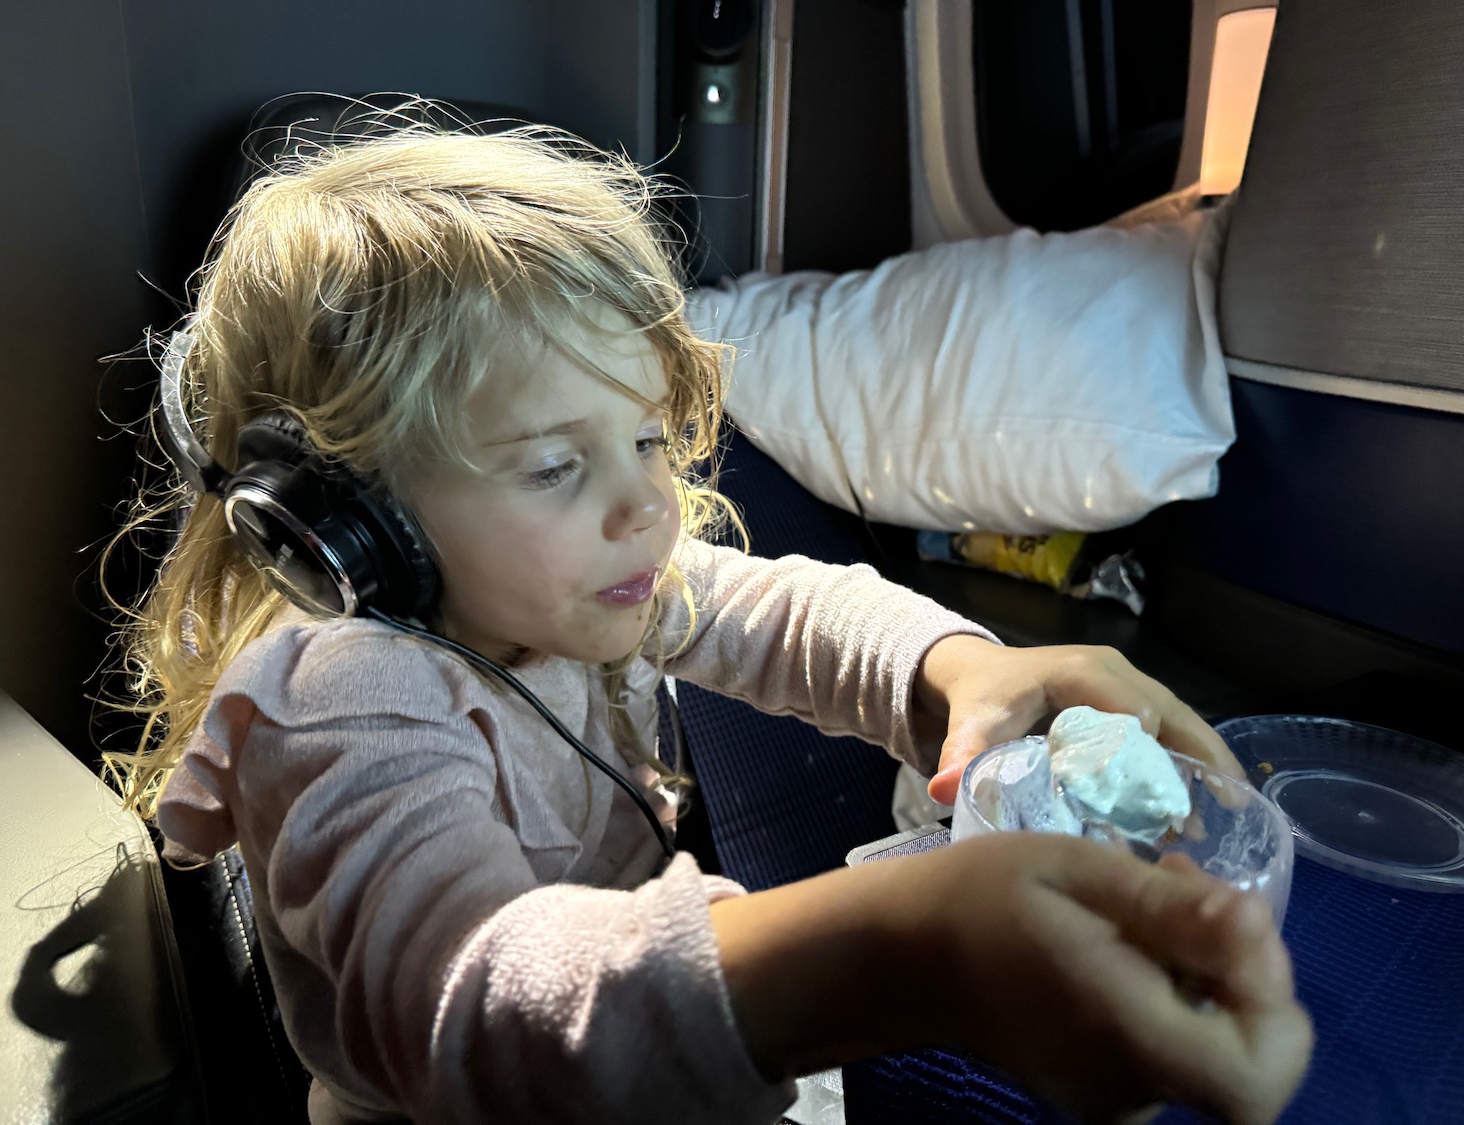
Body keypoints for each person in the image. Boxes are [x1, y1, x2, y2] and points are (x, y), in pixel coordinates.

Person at [104, 121, 1310, 1125]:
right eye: (548, 467)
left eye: (639, 439)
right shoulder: (341, 702)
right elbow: (469, 1005)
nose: (646, 501)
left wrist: (956, 668)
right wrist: (900, 950)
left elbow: (790, 614)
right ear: (343, 521)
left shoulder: (584, 595)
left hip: (661, 1043)